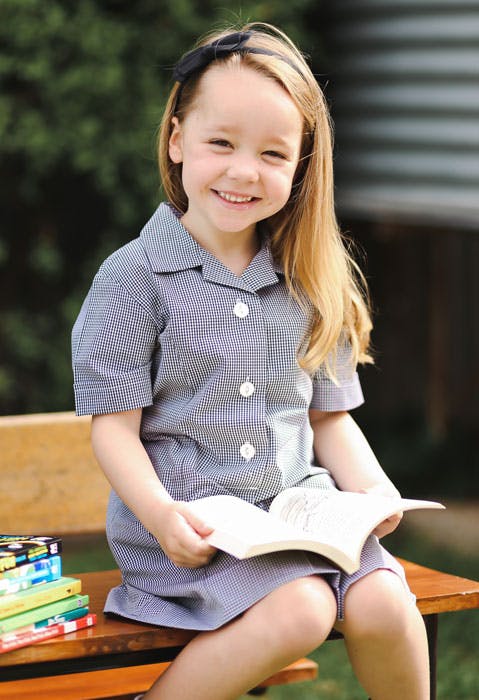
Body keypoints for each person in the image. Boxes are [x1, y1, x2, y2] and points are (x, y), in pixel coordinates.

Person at [72, 22, 429, 700]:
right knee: (304, 608)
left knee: (384, 601)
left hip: (297, 516)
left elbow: (330, 420)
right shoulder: (134, 278)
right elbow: (111, 429)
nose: (243, 171)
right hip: (191, 533)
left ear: (300, 165)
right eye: (220, 143)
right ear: (177, 140)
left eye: (272, 153)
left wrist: (373, 492)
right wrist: (161, 519)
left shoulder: (307, 278)